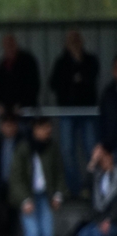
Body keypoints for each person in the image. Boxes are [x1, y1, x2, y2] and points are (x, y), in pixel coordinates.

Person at [10, 117, 65, 236]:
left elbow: (59, 172)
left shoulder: (52, 147)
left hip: (45, 196)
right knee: (33, 233)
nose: (48, 131)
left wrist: (58, 194)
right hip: (29, 197)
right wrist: (24, 199)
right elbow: (16, 177)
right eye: (44, 128)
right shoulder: (23, 148)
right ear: (35, 129)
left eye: (49, 128)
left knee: (47, 233)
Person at [49, 31, 100, 198]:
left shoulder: (90, 60)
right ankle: (75, 188)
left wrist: (78, 69)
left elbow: (90, 79)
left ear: (82, 41)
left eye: (77, 40)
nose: (74, 43)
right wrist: (73, 78)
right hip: (67, 111)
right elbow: (54, 83)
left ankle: (93, 186)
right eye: (71, 40)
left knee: (91, 150)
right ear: (66, 43)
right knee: (67, 151)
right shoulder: (61, 62)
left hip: (86, 111)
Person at [78, 145, 117, 236]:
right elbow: (85, 187)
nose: (104, 161)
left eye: (105, 157)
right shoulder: (98, 176)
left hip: (113, 222)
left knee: (96, 234)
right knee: (84, 234)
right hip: (98, 221)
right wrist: (93, 161)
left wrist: (109, 220)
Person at [0, 34, 41, 117]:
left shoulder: (28, 61)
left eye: (11, 44)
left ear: (15, 45)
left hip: (26, 110)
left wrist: (22, 104)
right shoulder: (1, 66)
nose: (9, 48)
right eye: (6, 45)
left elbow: (33, 85)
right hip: (7, 113)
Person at [100, 55, 117, 156]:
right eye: (116, 68)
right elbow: (103, 120)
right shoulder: (108, 93)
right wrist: (104, 145)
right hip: (111, 146)